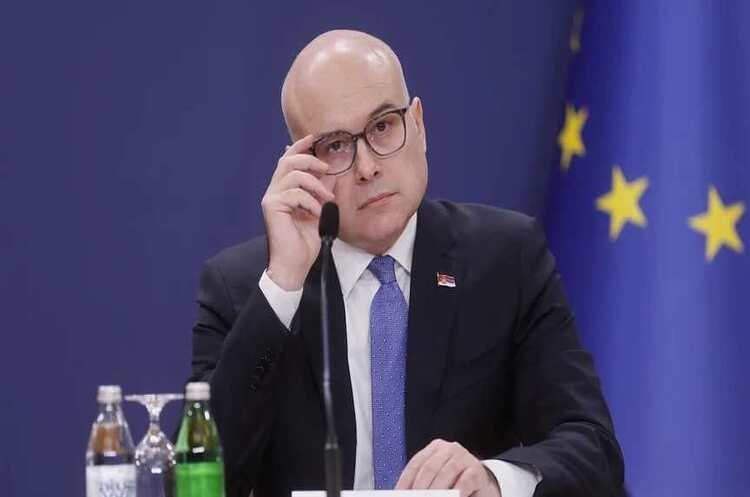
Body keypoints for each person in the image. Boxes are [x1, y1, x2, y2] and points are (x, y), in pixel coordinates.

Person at [189, 30, 624, 497]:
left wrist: (493, 479)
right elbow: (199, 480)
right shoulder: (243, 288)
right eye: (336, 146)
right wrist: (284, 285)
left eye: (382, 127)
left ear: (418, 124)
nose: (367, 167)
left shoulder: (504, 259)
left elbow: (593, 450)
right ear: (299, 167)